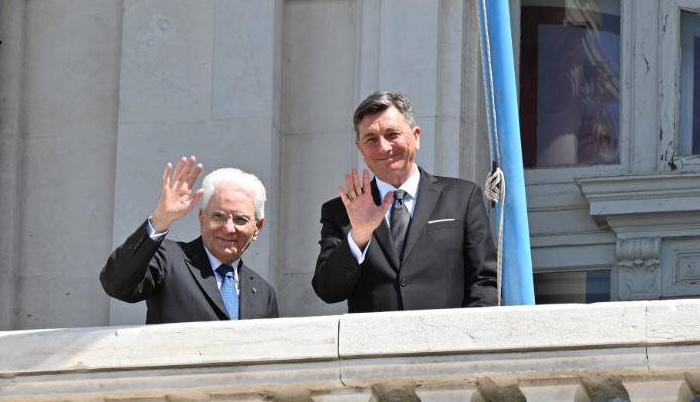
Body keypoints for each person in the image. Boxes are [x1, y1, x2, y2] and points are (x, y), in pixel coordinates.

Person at [312, 91, 497, 312]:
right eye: (371, 139)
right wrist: (358, 238)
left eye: (392, 134)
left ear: (416, 136)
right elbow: (327, 290)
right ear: (360, 148)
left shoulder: (462, 197)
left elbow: (485, 282)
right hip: (376, 335)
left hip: (446, 333)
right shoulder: (342, 211)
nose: (383, 147)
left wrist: (465, 332)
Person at [101, 156, 278, 323]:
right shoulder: (168, 260)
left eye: (240, 219)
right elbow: (116, 284)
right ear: (202, 219)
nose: (228, 228)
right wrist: (159, 220)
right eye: (218, 216)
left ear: (257, 228)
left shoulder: (264, 293)